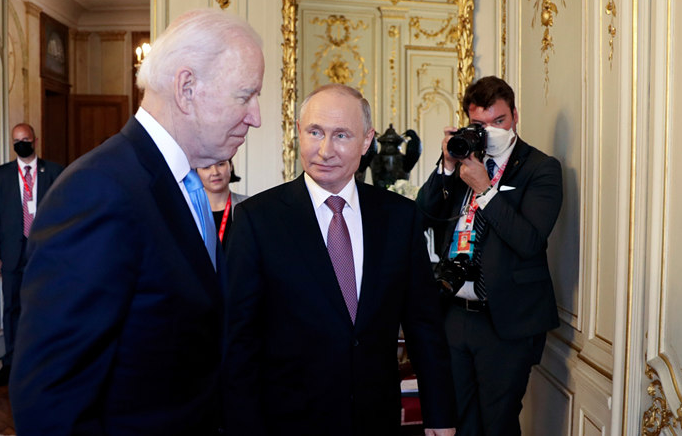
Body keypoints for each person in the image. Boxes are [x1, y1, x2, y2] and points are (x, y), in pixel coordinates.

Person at [8, 8, 264, 435]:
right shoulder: (98, 190)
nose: (256, 116)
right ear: (186, 88)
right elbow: (50, 399)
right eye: (245, 96)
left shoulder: (182, 183)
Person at [224, 84, 456, 436]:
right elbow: (239, 340)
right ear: (298, 133)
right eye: (315, 132)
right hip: (287, 422)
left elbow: (424, 325)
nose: (325, 150)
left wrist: (440, 414)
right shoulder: (257, 220)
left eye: (341, 135)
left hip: (376, 420)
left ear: (366, 141)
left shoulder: (399, 217)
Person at [416, 76, 563, 436]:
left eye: (499, 120)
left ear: (514, 116)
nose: (492, 130)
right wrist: (447, 166)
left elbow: (529, 241)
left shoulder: (540, 168)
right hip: (454, 312)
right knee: (458, 418)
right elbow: (422, 216)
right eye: (480, 124)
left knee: (498, 423)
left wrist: (485, 189)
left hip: (507, 319)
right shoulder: (464, 160)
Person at [0, 123, 63, 386]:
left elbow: (63, 214)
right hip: (11, 254)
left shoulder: (54, 172)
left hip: (45, 254)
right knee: (12, 309)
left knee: (45, 305)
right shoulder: (0, 175)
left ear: (35, 141)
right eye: (16, 140)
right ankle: (11, 364)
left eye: (25, 139)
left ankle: (45, 361)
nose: (21, 144)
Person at [197, 158, 247, 247]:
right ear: (196, 172)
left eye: (221, 164)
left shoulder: (249, 206)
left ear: (231, 166)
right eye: (206, 167)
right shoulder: (190, 210)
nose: (215, 172)